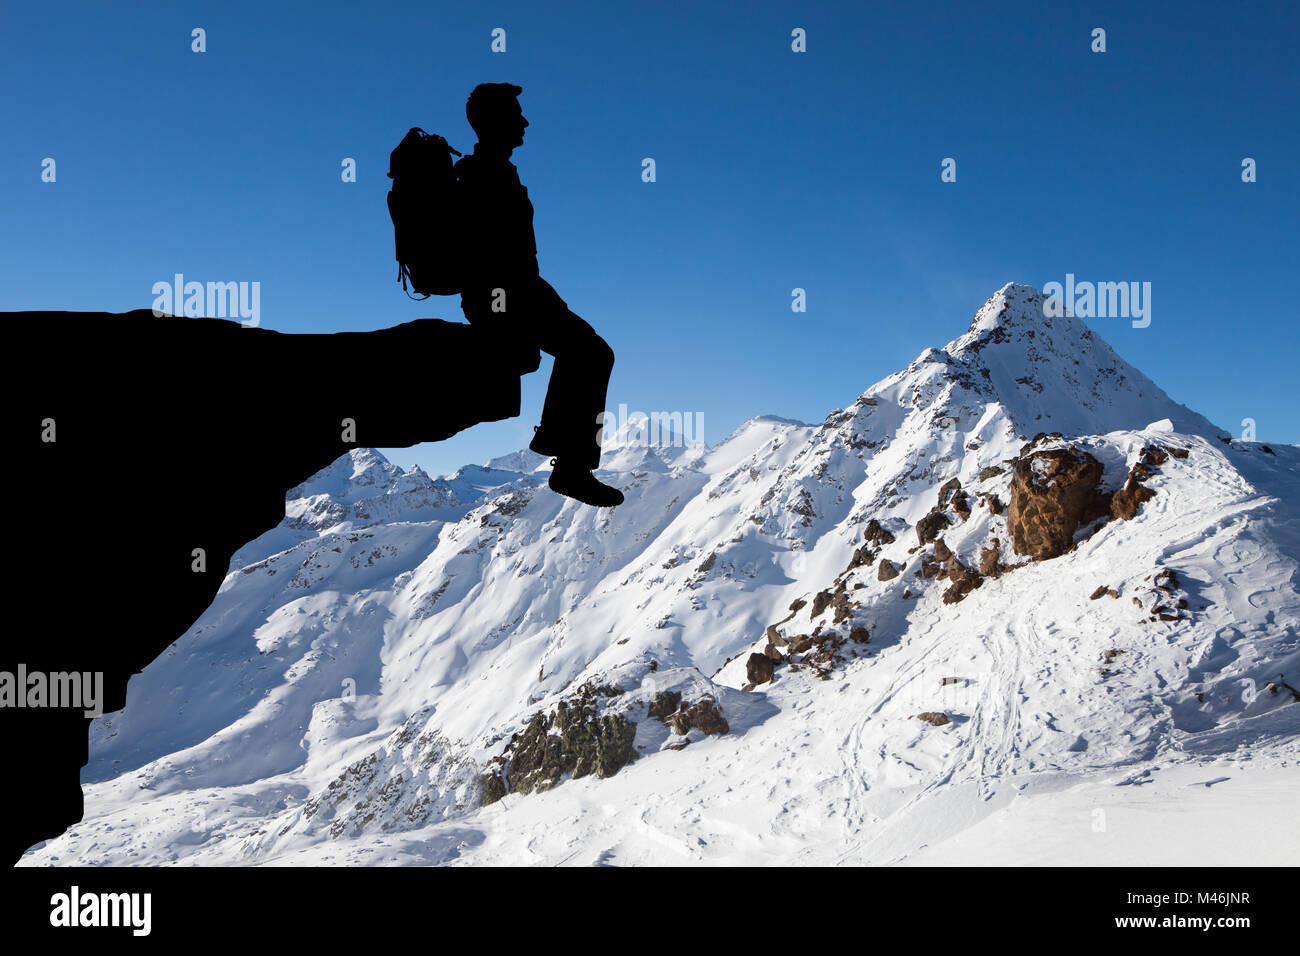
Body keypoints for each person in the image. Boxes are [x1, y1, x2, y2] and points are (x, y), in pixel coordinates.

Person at [455, 82, 624, 507]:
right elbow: (492, 254)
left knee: (589, 351)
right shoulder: (483, 174)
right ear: (493, 120)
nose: (524, 120)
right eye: (515, 112)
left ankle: (567, 459)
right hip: (508, 295)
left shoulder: (492, 171)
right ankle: (571, 467)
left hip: (517, 293)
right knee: (591, 352)